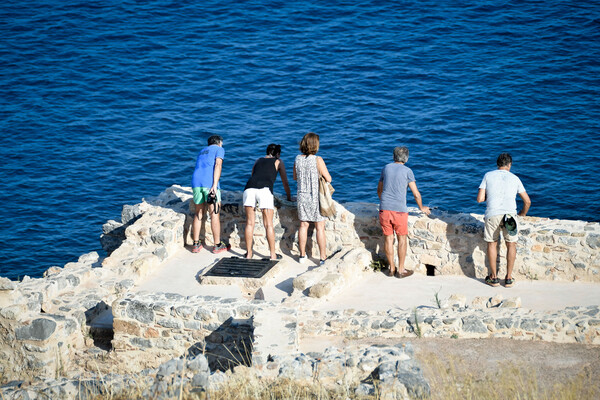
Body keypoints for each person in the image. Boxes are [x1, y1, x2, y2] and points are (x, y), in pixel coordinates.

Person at [477, 152, 531, 287]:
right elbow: (527, 201)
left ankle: (494, 277)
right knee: (511, 244)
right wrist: (522, 214)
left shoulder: (488, 175)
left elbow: (479, 199)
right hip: (510, 215)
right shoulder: (515, 178)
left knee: (492, 243)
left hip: (493, 214)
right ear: (510, 165)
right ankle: (508, 278)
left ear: (497, 164)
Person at [377, 146, 431, 278]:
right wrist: (422, 207)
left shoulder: (386, 168)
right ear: (406, 158)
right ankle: (401, 270)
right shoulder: (408, 171)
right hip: (399, 211)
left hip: (384, 208)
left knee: (388, 238)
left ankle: (391, 269)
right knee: (402, 239)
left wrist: (385, 202)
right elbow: (416, 194)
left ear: (394, 156)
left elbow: (379, 189)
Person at [243, 144, 292, 260]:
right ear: (278, 154)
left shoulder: (257, 160)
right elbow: (285, 182)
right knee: (268, 224)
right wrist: (289, 197)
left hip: (249, 188)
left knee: (250, 223)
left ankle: (249, 254)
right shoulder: (278, 162)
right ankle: (273, 255)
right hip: (265, 190)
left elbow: (253, 175)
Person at [293, 133, 332, 265]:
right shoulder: (317, 160)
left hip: (302, 196)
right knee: (320, 227)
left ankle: (302, 255)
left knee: (303, 225)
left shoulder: (297, 159)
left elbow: (294, 176)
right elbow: (328, 178)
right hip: (315, 197)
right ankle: (322, 257)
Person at [191, 135, 229, 254]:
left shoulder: (202, 151)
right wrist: (215, 184)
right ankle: (217, 245)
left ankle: (196, 244)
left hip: (196, 183)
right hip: (209, 183)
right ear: (218, 143)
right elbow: (218, 165)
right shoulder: (219, 149)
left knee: (198, 213)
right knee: (214, 214)